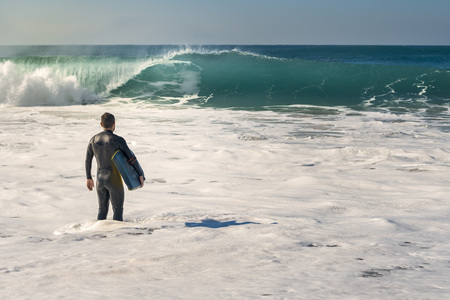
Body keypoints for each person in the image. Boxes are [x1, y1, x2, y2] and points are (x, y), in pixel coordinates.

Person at [85, 112, 144, 221]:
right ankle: (118, 237)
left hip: (99, 180)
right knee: (117, 210)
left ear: (101, 124)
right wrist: (140, 174)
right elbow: (131, 158)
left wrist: (89, 178)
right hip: (113, 179)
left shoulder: (93, 140)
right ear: (114, 124)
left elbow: (88, 160)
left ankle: (97, 236)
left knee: (102, 210)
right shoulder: (118, 140)